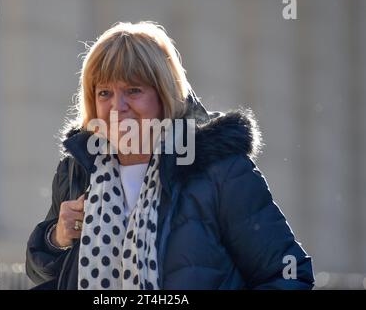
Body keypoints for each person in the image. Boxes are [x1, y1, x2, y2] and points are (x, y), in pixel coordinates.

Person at [25, 21, 314, 290]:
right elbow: (41, 272)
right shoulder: (76, 171)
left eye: (133, 90)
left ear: (164, 95)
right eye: (104, 93)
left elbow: (289, 274)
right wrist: (58, 238)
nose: (117, 106)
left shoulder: (219, 169)